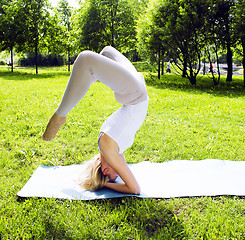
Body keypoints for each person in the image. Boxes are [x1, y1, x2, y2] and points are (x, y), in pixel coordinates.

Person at [42, 46, 149, 195]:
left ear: (105, 170)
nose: (119, 174)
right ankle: (84, 80)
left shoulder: (108, 150)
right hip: (135, 90)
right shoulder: (113, 152)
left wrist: (104, 185)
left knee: (87, 59)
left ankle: (60, 115)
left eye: (115, 176)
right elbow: (133, 187)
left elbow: (134, 189)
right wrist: (103, 184)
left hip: (134, 93)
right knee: (104, 53)